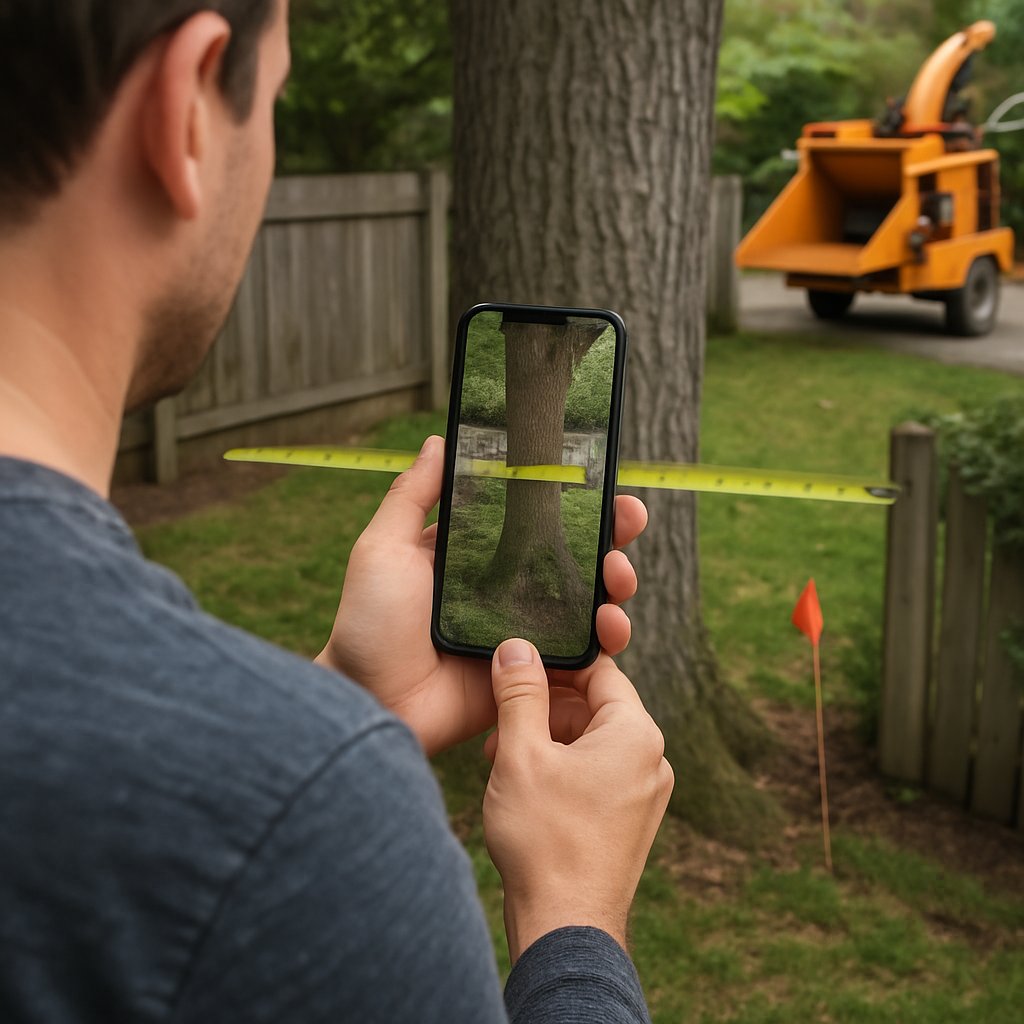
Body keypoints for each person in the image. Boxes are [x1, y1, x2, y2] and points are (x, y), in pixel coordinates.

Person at [0, 1, 674, 1022]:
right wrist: (573, 920)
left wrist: (350, 707)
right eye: (273, 97)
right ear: (188, 105)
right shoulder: (301, 839)